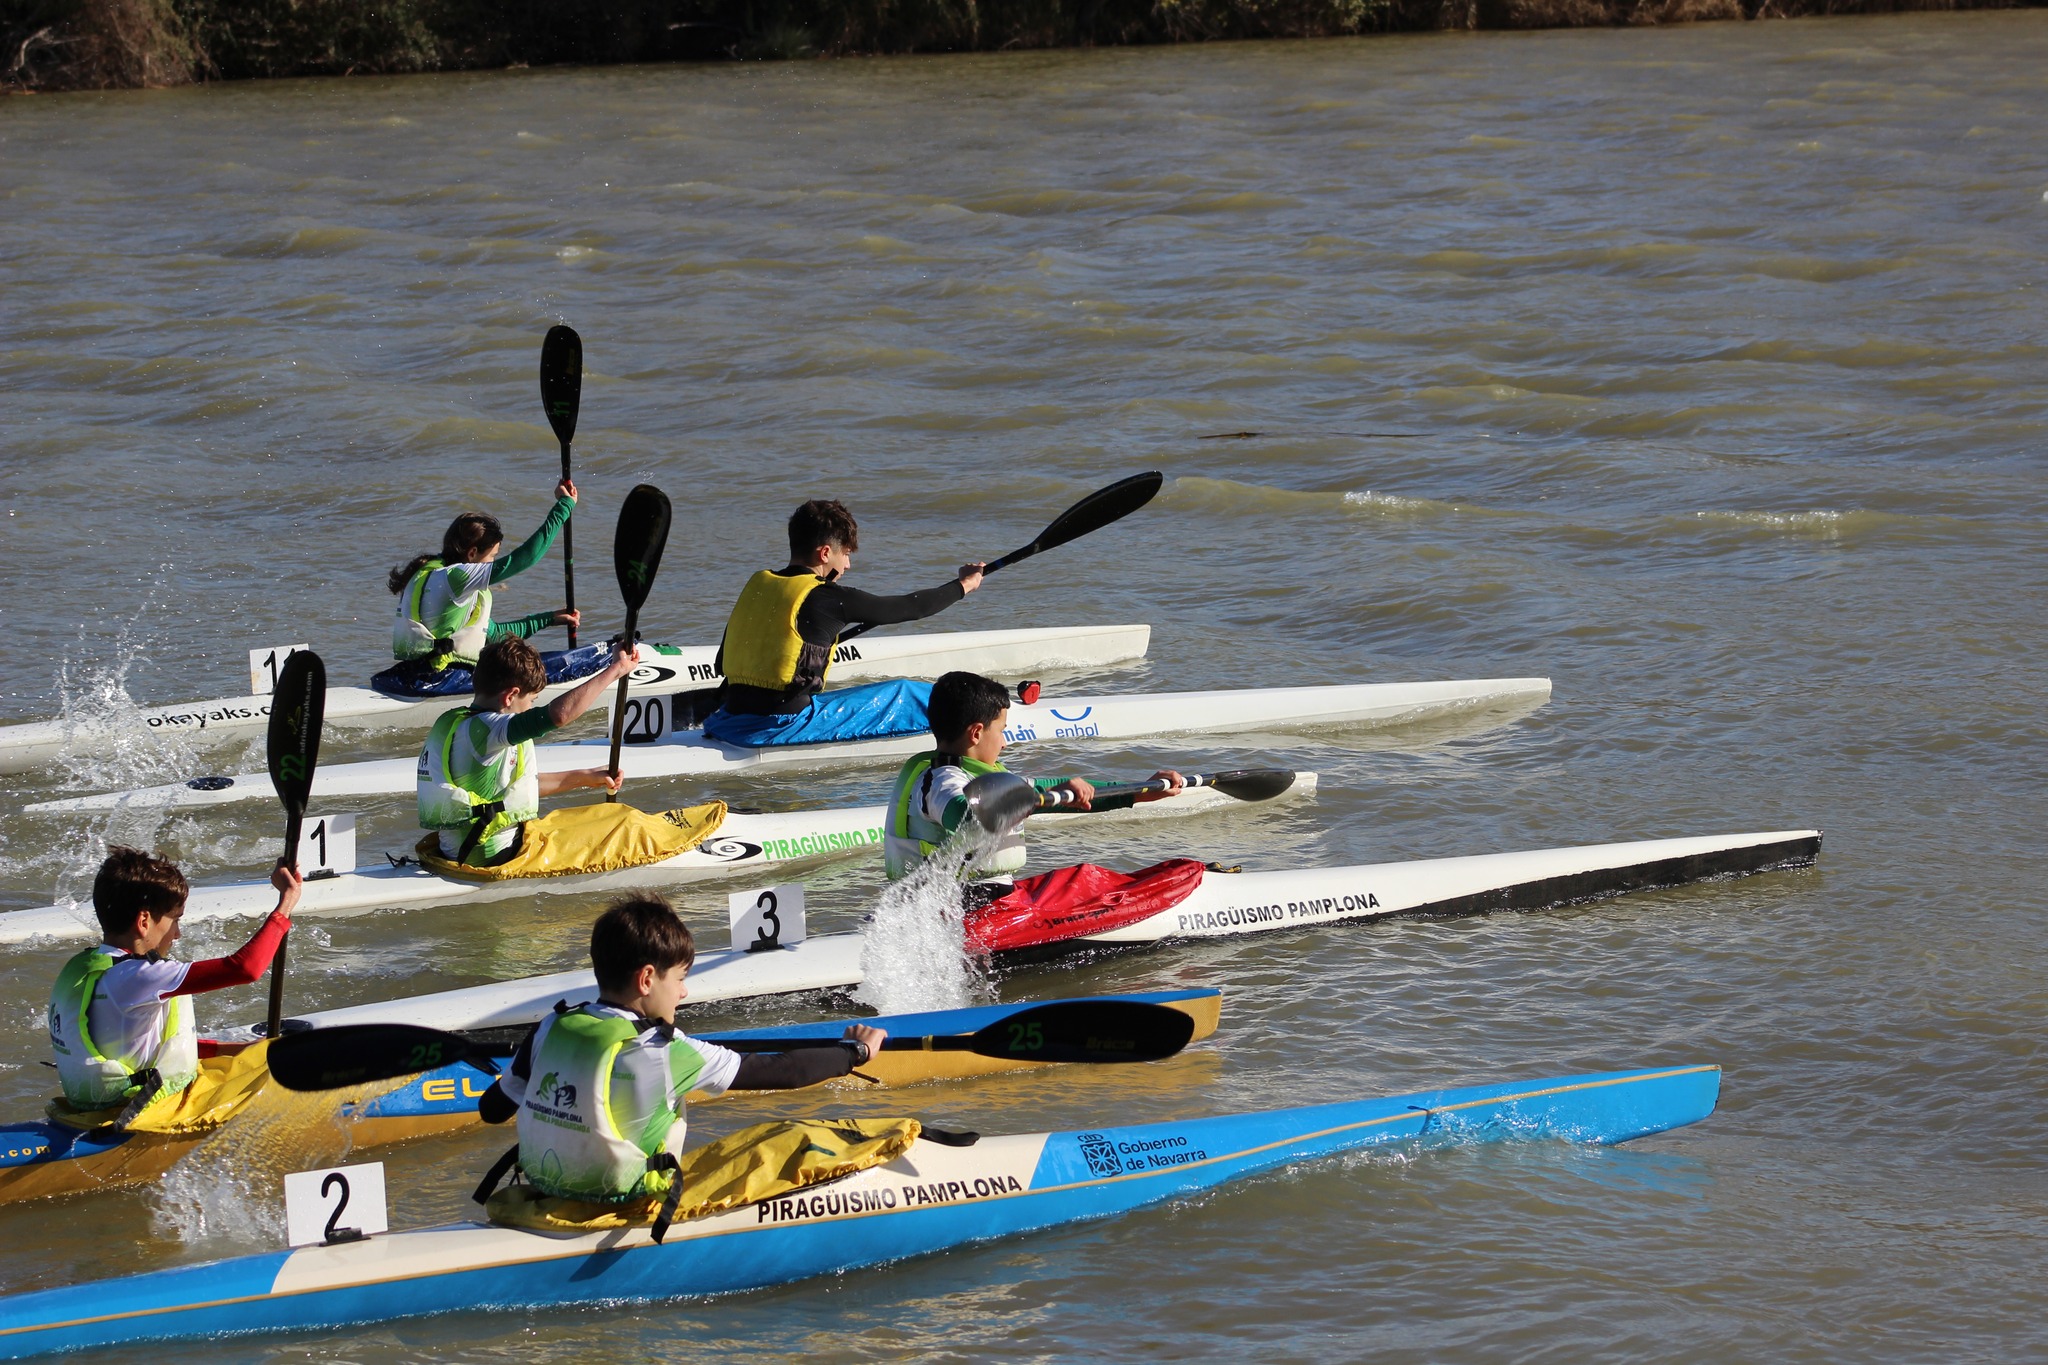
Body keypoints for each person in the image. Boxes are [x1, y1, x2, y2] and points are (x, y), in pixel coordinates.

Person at [476, 895, 887, 1204]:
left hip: (545, 1191)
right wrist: (854, 1053)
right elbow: (783, 1071)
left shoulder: (553, 1025)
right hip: (629, 1201)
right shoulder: (665, 1050)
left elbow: (491, 1110)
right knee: (792, 1140)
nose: (684, 991)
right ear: (647, 979)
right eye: (680, 979)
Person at [701, 498, 984, 747]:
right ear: (825, 553)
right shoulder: (827, 597)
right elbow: (912, 607)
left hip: (728, 717)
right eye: (846, 554)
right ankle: (982, 722)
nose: (847, 565)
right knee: (905, 692)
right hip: (779, 726)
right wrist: (964, 585)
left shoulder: (758, 585)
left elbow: (721, 661)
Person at [48, 847, 303, 1111]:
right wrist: (287, 902)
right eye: (175, 920)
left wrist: (244, 1049)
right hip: (147, 1112)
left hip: (106, 1105)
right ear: (144, 921)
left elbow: (152, 1049)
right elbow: (245, 968)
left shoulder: (88, 969)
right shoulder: (140, 976)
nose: (177, 934)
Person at [884, 670, 1184, 894]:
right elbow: (965, 817)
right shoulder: (940, 780)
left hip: (987, 895)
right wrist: (1038, 799)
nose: (1003, 743)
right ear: (976, 733)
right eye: (1001, 731)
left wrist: (1138, 791)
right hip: (953, 903)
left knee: (1079, 880)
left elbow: (1057, 788)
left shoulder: (982, 774)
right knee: (1083, 883)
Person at [418, 635, 642, 867]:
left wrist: (584, 777)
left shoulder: (463, 725)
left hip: (461, 851)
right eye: (532, 701)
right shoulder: (488, 729)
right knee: (614, 831)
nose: (530, 708)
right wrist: (616, 669)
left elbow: (518, 790)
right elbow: (558, 715)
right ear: (510, 696)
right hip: (491, 857)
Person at [375, 477, 604, 697]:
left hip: (413, 676)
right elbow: (526, 558)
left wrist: (548, 619)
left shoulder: (433, 574)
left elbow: (493, 635)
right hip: (444, 679)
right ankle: (607, 661)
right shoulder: (457, 577)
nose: (494, 562)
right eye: (492, 556)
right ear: (472, 553)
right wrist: (564, 507)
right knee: (535, 671)